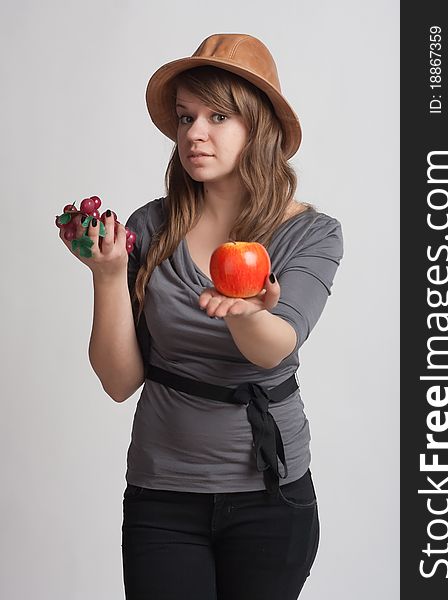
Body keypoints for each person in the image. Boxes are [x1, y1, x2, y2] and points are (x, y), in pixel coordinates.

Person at [59, 33, 343, 600]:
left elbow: (275, 346)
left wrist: (243, 313)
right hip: (161, 493)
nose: (194, 133)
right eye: (186, 116)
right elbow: (119, 383)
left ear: (258, 126)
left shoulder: (311, 233)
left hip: (272, 496)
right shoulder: (149, 226)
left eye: (218, 115)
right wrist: (108, 275)